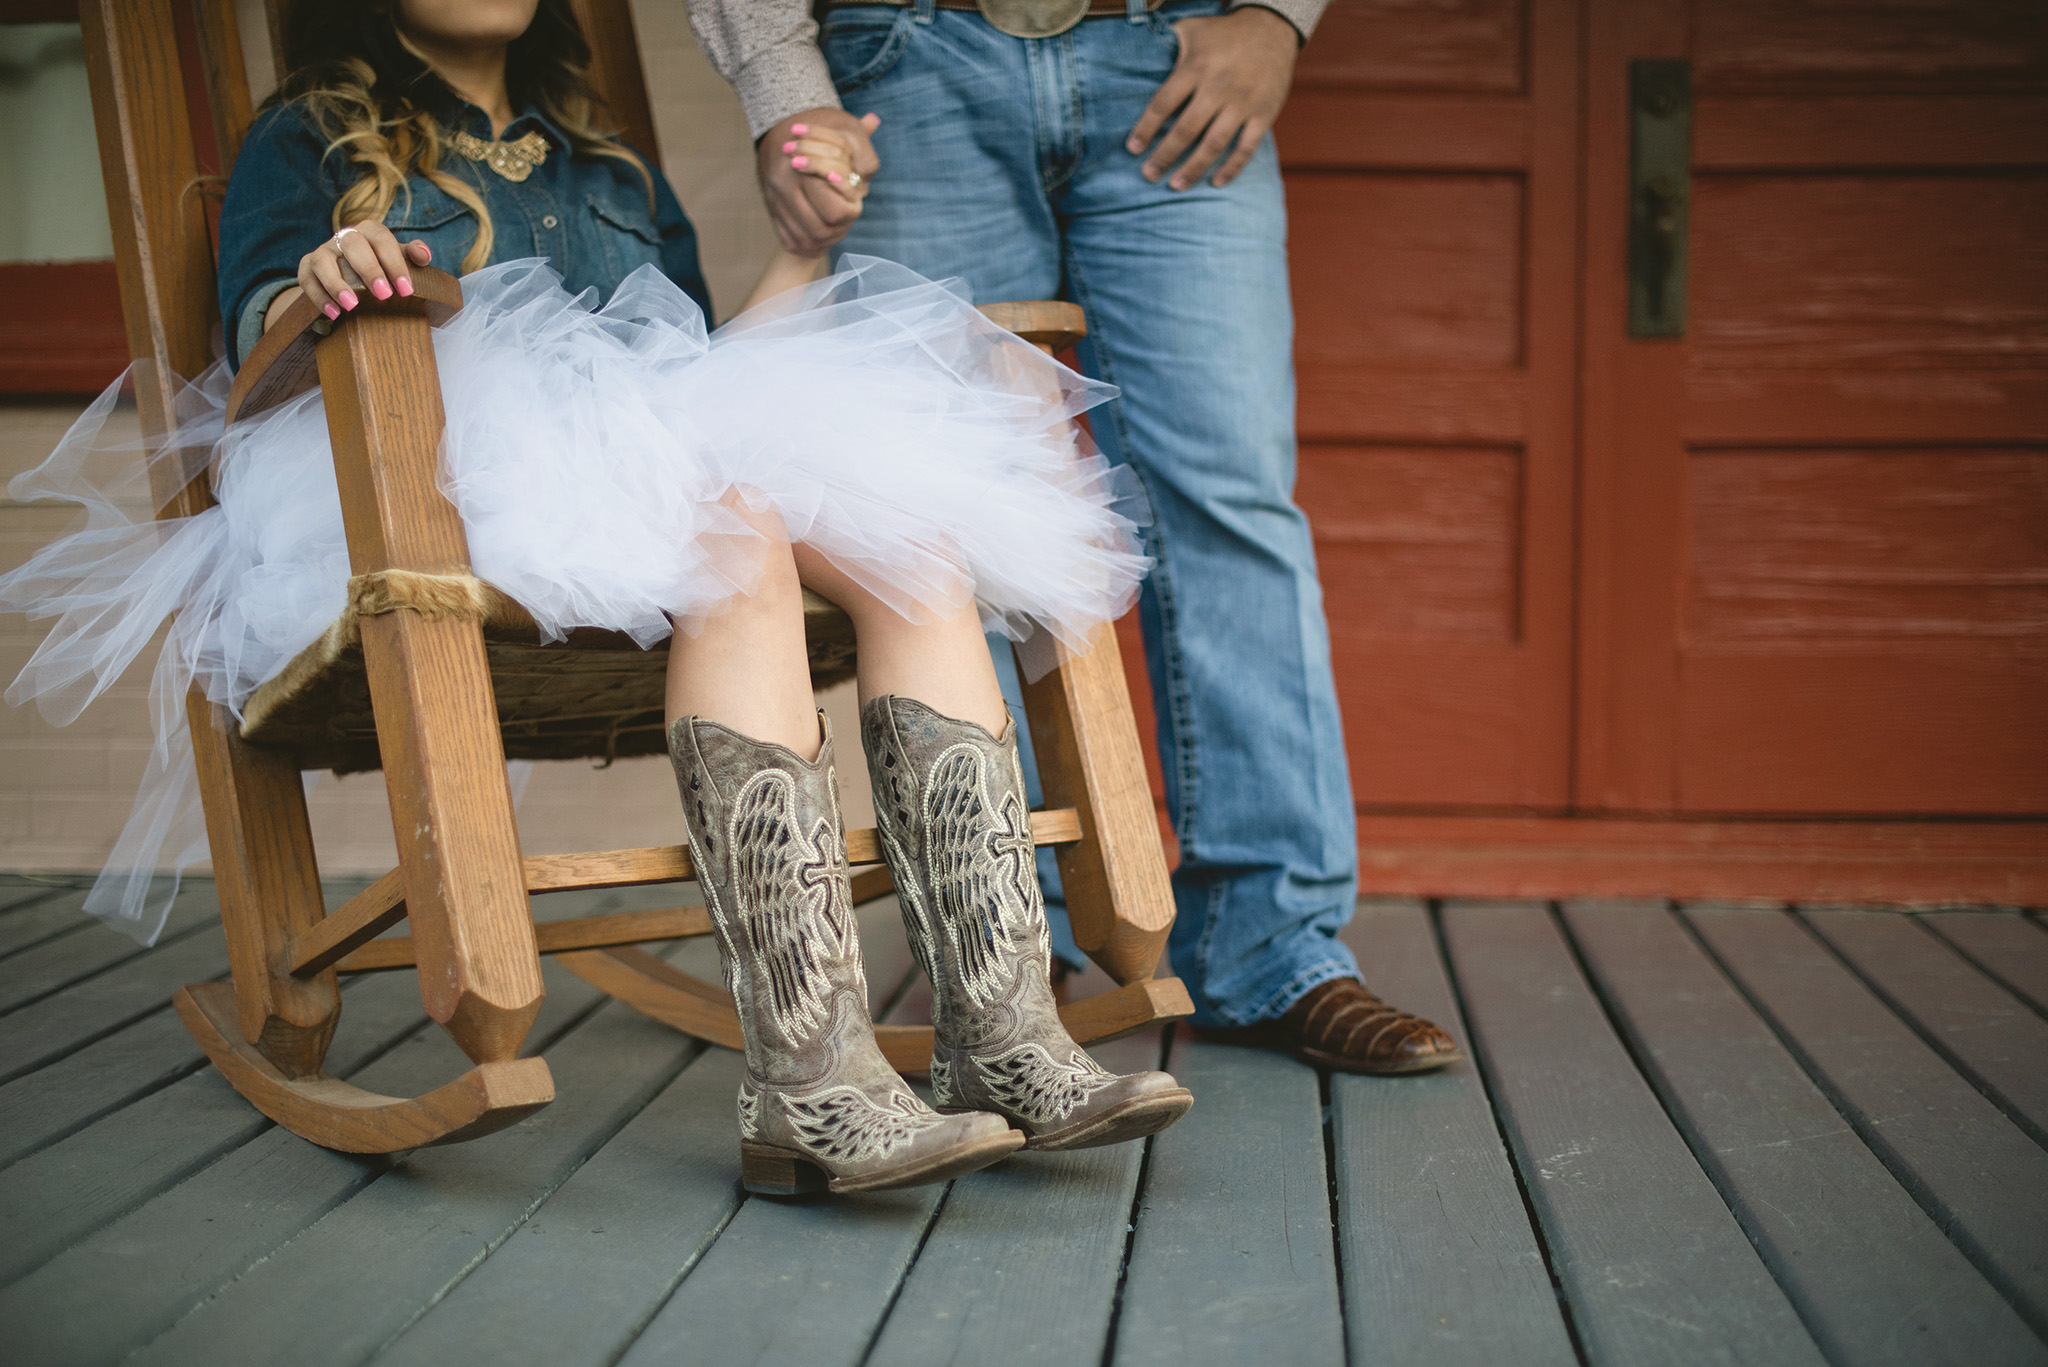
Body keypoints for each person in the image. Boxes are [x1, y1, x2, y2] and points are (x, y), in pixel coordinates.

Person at [0, 0, 1192, 1194]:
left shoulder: (602, 153)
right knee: (732, 531)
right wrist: (318, 273)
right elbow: (256, 334)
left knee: (910, 547)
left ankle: (1002, 1032)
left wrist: (803, 240)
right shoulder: (310, 135)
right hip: (434, 479)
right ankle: (809, 1076)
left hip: (650, 468)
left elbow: (706, 370)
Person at [683, 0, 1465, 1074]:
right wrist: (782, 83)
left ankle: (1273, 947)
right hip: (906, 62)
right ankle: (1004, 954)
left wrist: (1278, 19)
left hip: (1179, 48)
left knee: (1227, 497)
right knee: (939, 515)